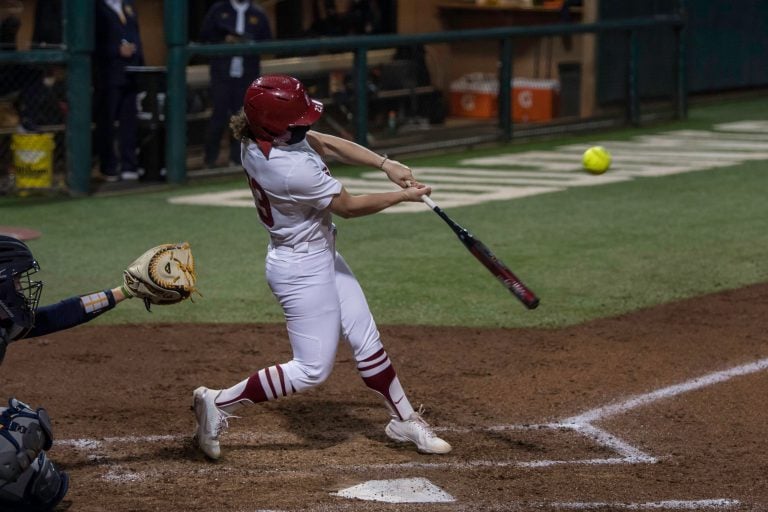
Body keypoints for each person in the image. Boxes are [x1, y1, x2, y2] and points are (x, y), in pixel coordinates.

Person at [191, 75, 452, 460]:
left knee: (366, 339)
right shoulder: (287, 168)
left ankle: (404, 419)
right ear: (278, 128)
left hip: (320, 254)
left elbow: (325, 142)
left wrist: (385, 163)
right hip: (300, 269)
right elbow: (347, 207)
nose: (305, 126)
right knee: (312, 370)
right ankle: (218, 402)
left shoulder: (261, 135)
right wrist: (403, 196)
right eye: (297, 122)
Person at [0, 234, 136, 511]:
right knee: (18, 440)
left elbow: (55, 316)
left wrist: (124, 291)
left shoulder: (4, 324)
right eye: (15, 281)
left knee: (29, 460)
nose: (21, 288)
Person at [199, 0, 272, 168]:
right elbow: (204, 36)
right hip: (221, 74)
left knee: (244, 118)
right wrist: (225, 39)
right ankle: (210, 160)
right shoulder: (218, 10)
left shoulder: (257, 13)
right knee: (219, 115)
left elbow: (267, 41)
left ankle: (238, 159)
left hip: (247, 74)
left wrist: (248, 42)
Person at [93, 0, 144, 182]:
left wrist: (140, 62)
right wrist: (116, 50)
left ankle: (129, 165)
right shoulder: (95, 8)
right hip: (108, 75)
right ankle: (109, 167)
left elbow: (136, 34)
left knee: (129, 123)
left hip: (131, 74)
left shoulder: (127, 5)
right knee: (106, 123)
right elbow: (92, 42)